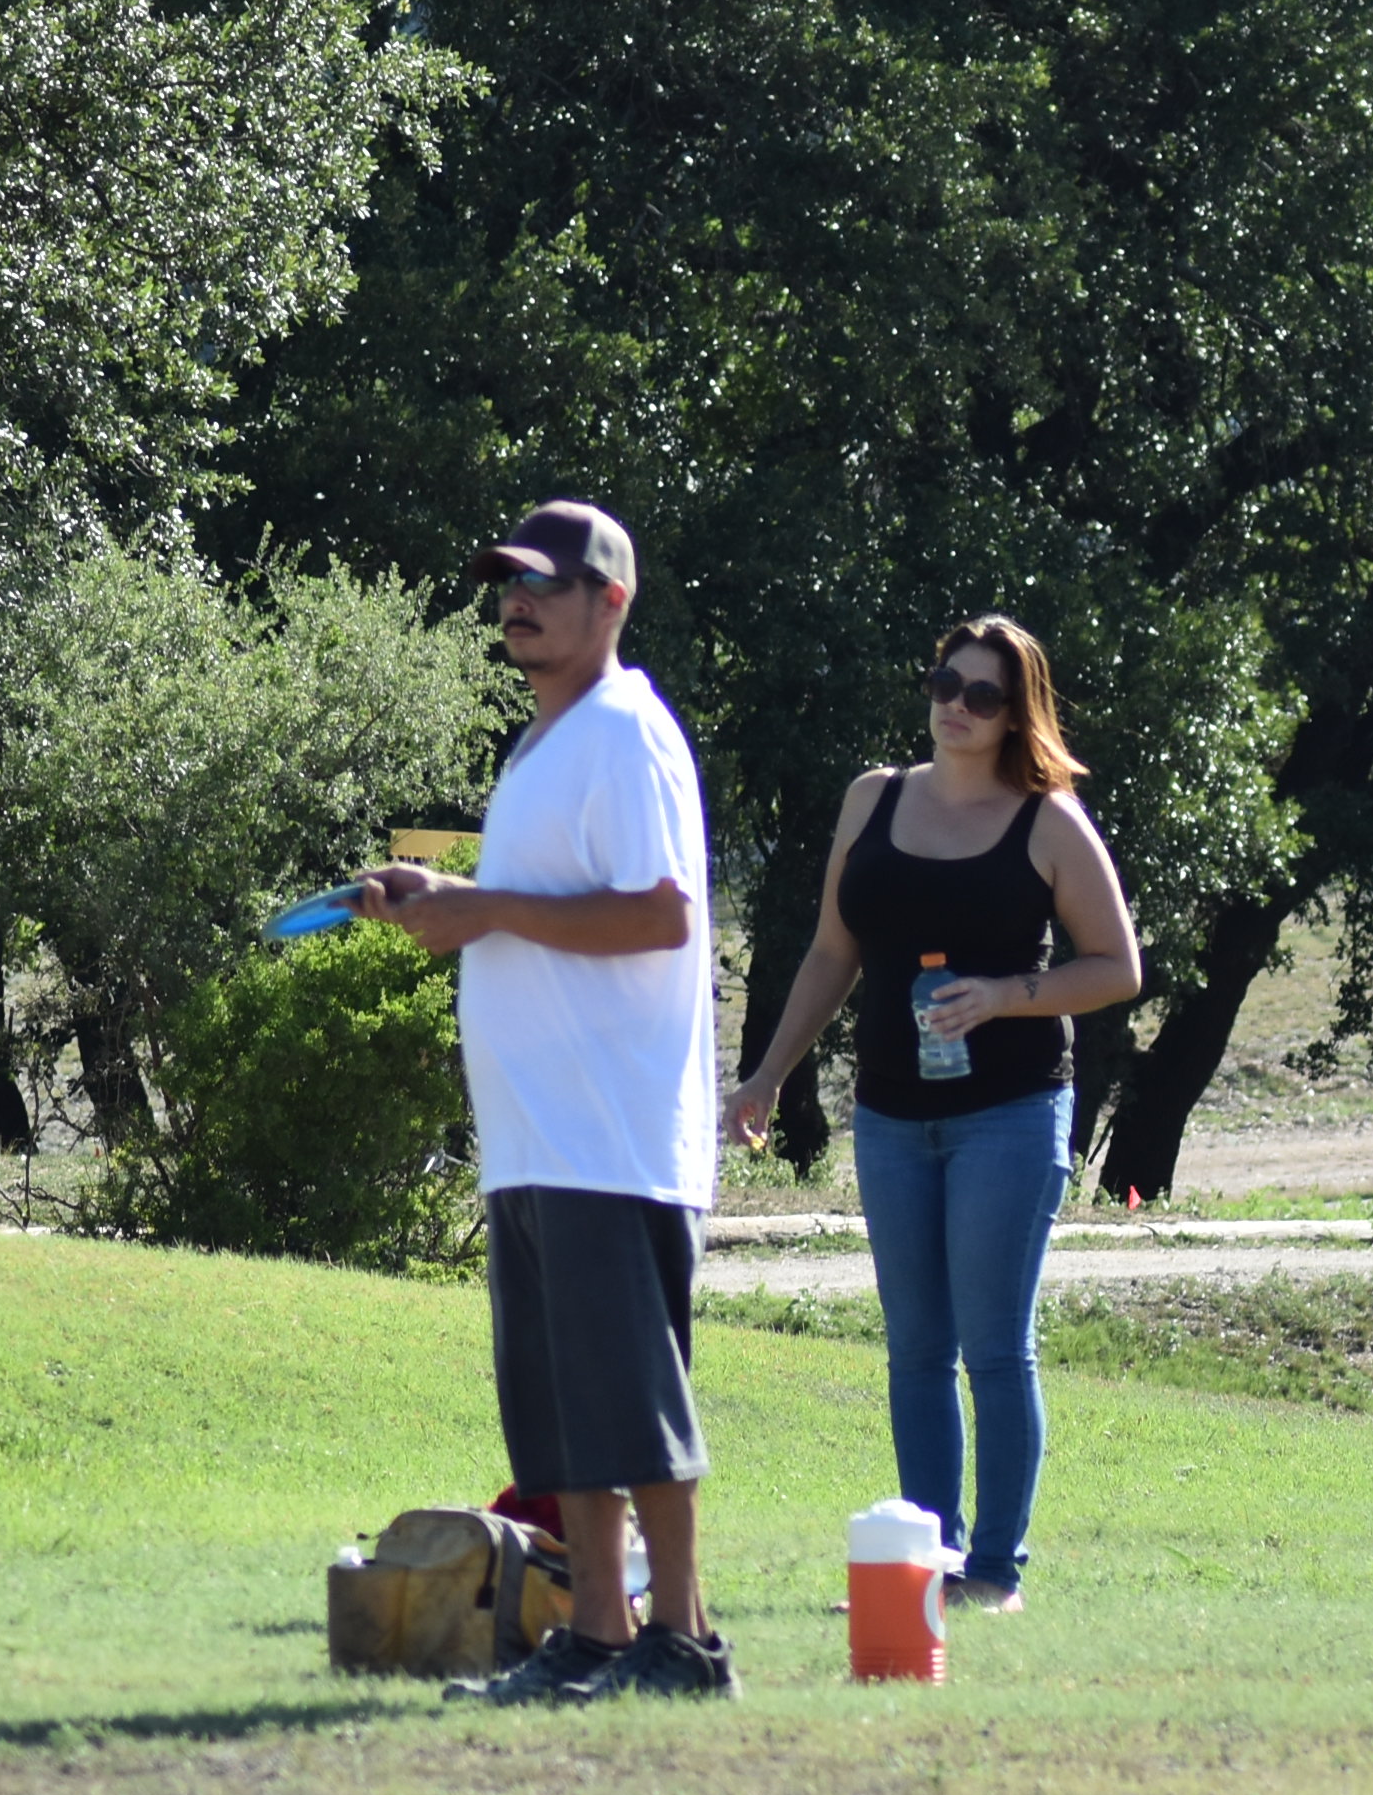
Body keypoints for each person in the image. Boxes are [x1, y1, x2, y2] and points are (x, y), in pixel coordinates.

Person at [359, 498, 736, 1703]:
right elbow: (542, 902)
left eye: (546, 585)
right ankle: (599, 1637)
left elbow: (658, 914)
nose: (517, 602)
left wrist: (485, 909)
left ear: (610, 601)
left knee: (631, 1405)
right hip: (536, 1138)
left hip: (611, 1138)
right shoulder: (543, 742)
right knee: (563, 1414)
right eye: (507, 584)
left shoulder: (625, 730)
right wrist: (449, 894)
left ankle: (681, 1642)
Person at [725, 615, 1141, 1613]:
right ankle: (923, 1564)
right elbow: (832, 953)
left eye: (982, 695)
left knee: (995, 1346)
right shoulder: (874, 798)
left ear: (1015, 714)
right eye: (943, 683)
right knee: (915, 1348)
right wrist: (767, 1073)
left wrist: (1005, 994)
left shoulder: (1046, 821)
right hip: (890, 1113)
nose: (955, 705)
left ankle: (992, 1574)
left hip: (1010, 1109)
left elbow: (1116, 969)